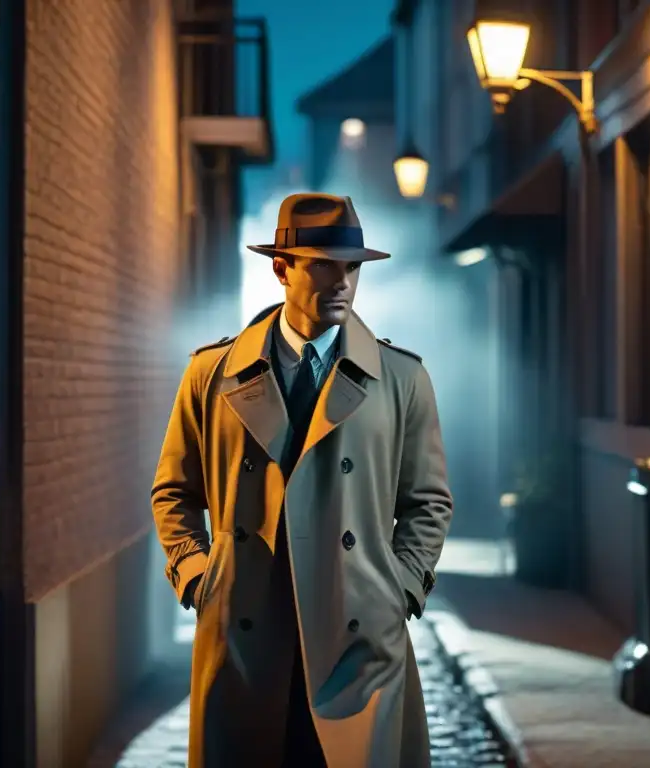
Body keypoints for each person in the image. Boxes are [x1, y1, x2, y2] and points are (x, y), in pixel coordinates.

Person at [152, 192, 454, 768]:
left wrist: (401, 586)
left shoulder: (402, 378)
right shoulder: (210, 375)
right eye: (322, 264)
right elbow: (174, 491)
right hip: (246, 630)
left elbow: (427, 500)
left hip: (358, 634)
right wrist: (198, 575)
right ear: (282, 268)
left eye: (351, 267)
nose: (341, 281)